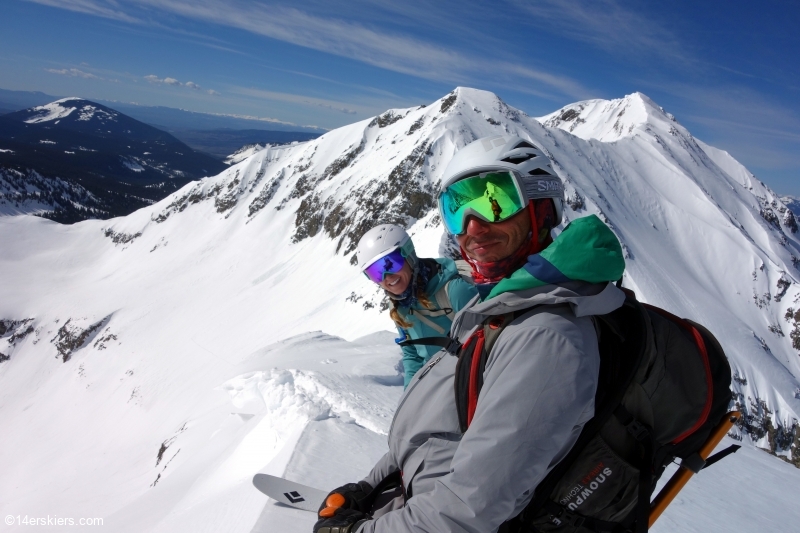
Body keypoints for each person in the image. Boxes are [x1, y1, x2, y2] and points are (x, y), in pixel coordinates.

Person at [313, 136, 626, 533]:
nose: (473, 227)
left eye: (496, 200)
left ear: (543, 206)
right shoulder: (498, 310)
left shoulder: (545, 338)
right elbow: (441, 415)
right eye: (456, 210)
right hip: (418, 493)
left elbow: (465, 510)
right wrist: (372, 483)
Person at [355, 224, 478, 388]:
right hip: (439, 386)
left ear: (409, 255)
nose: (387, 276)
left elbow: (488, 342)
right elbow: (412, 354)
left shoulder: (454, 291)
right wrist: (409, 397)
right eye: (375, 273)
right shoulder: (399, 307)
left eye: (390, 264)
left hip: (471, 381)